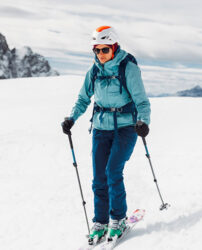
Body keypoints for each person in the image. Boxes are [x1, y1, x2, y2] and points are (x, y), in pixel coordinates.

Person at [61, 26, 151, 244]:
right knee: (99, 178)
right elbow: (83, 99)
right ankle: (100, 222)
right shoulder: (94, 71)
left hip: (126, 128)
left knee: (112, 171)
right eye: (96, 50)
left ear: (114, 47)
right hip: (101, 129)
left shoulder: (128, 68)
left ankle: (118, 219)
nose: (100, 55)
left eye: (104, 50)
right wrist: (71, 118)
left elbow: (142, 101)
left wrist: (143, 122)